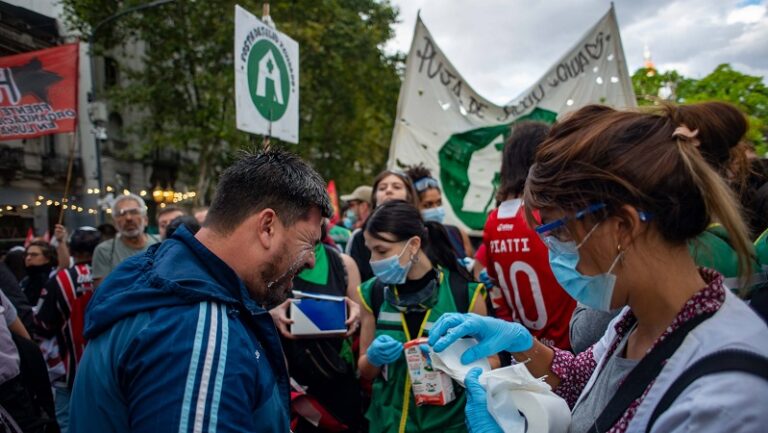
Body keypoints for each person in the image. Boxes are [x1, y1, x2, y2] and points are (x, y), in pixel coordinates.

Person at [428, 104, 768, 433]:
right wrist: (524, 344)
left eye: (559, 232)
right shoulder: (636, 317)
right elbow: (583, 379)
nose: (554, 253)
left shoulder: (720, 399)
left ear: (623, 226)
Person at [69, 150, 333, 433]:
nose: (311, 260)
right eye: (309, 243)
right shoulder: (197, 332)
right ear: (267, 227)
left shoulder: (167, 280)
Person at [353, 200, 490, 433]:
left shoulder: (465, 294)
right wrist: (374, 358)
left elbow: (492, 361)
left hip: (448, 425)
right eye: (370, 250)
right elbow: (365, 370)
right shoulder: (372, 293)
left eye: (382, 251)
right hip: (388, 423)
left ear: (414, 244)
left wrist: (453, 361)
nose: (373, 260)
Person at [482, 121, 576, 350]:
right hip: (571, 346)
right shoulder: (546, 215)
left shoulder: (493, 220)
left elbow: (496, 290)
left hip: (525, 349)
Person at [269, 222, 364, 433]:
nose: (310, 262)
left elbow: (362, 320)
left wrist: (354, 314)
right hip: (291, 387)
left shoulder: (342, 264)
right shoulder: (267, 262)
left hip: (337, 379)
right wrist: (271, 316)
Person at [35, 227, 101, 433]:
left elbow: (43, 325)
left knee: (68, 422)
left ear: (72, 250)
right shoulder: (114, 275)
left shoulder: (61, 279)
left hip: (69, 368)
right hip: (107, 366)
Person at [347, 171, 419, 283]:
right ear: (374, 198)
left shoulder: (426, 232)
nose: (388, 190)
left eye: (396, 187)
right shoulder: (359, 238)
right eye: (382, 188)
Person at [404, 164, 474, 259]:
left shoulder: (458, 235)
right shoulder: (406, 243)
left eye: (439, 203)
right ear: (412, 206)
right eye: (427, 205)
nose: (436, 209)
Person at [91, 194, 160, 287]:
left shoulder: (161, 243)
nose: (128, 218)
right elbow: (102, 291)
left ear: (145, 220)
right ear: (114, 223)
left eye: (134, 212)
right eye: (121, 214)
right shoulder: (104, 251)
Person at [20, 241, 56, 307]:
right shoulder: (25, 280)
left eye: (34, 255)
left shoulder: (53, 278)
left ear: (47, 258)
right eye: (26, 255)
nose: (28, 258)